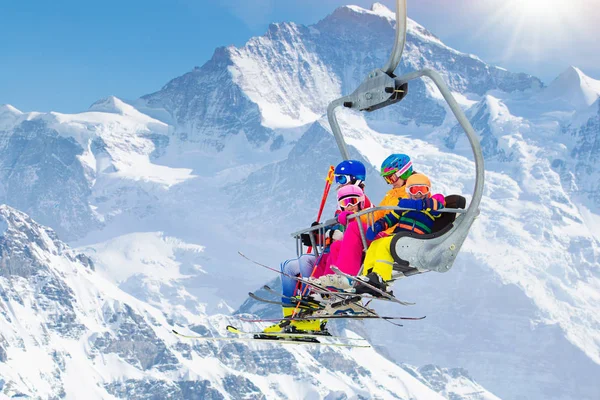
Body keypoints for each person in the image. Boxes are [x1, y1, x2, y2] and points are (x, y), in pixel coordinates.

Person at [263, 165, 370, 334]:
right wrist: (318, 236)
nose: (338, 183)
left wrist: (331, 234)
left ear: (355, 178)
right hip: (330, 253)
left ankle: (311, 313)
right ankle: (290, 317)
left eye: (341, 179)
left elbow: (356, 233)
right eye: (337, 179)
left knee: (306, 262)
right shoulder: (343, 206)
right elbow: (336, 233)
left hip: (346, 258)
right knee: (288, 266)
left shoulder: (361, 202)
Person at [310, 154, 417, 291]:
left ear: (404, 172)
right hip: (383, 233)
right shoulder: (393, 194)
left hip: (392, 236)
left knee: (355, 227)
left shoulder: (412, 192)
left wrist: (355, 220)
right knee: (337, 246)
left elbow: (398, 216)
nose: (390, 182)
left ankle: (347, 278)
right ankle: (330, 291)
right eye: (387, 179)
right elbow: (377, 214)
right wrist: (354, 217)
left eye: (392, 177)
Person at [361, 173, 445, 293]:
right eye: (414, 190)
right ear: (408, 192)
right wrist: (378, 226)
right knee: (375, 244)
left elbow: (438, 205)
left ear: (428, 190)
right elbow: (391, 218)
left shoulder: (432, 203)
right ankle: (368, 276)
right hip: (400, 238)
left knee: (385, 245)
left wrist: (418, 205)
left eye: (423, 190)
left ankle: (382, 278)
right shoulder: (404, 207)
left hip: (417, 240)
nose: (419, 194)